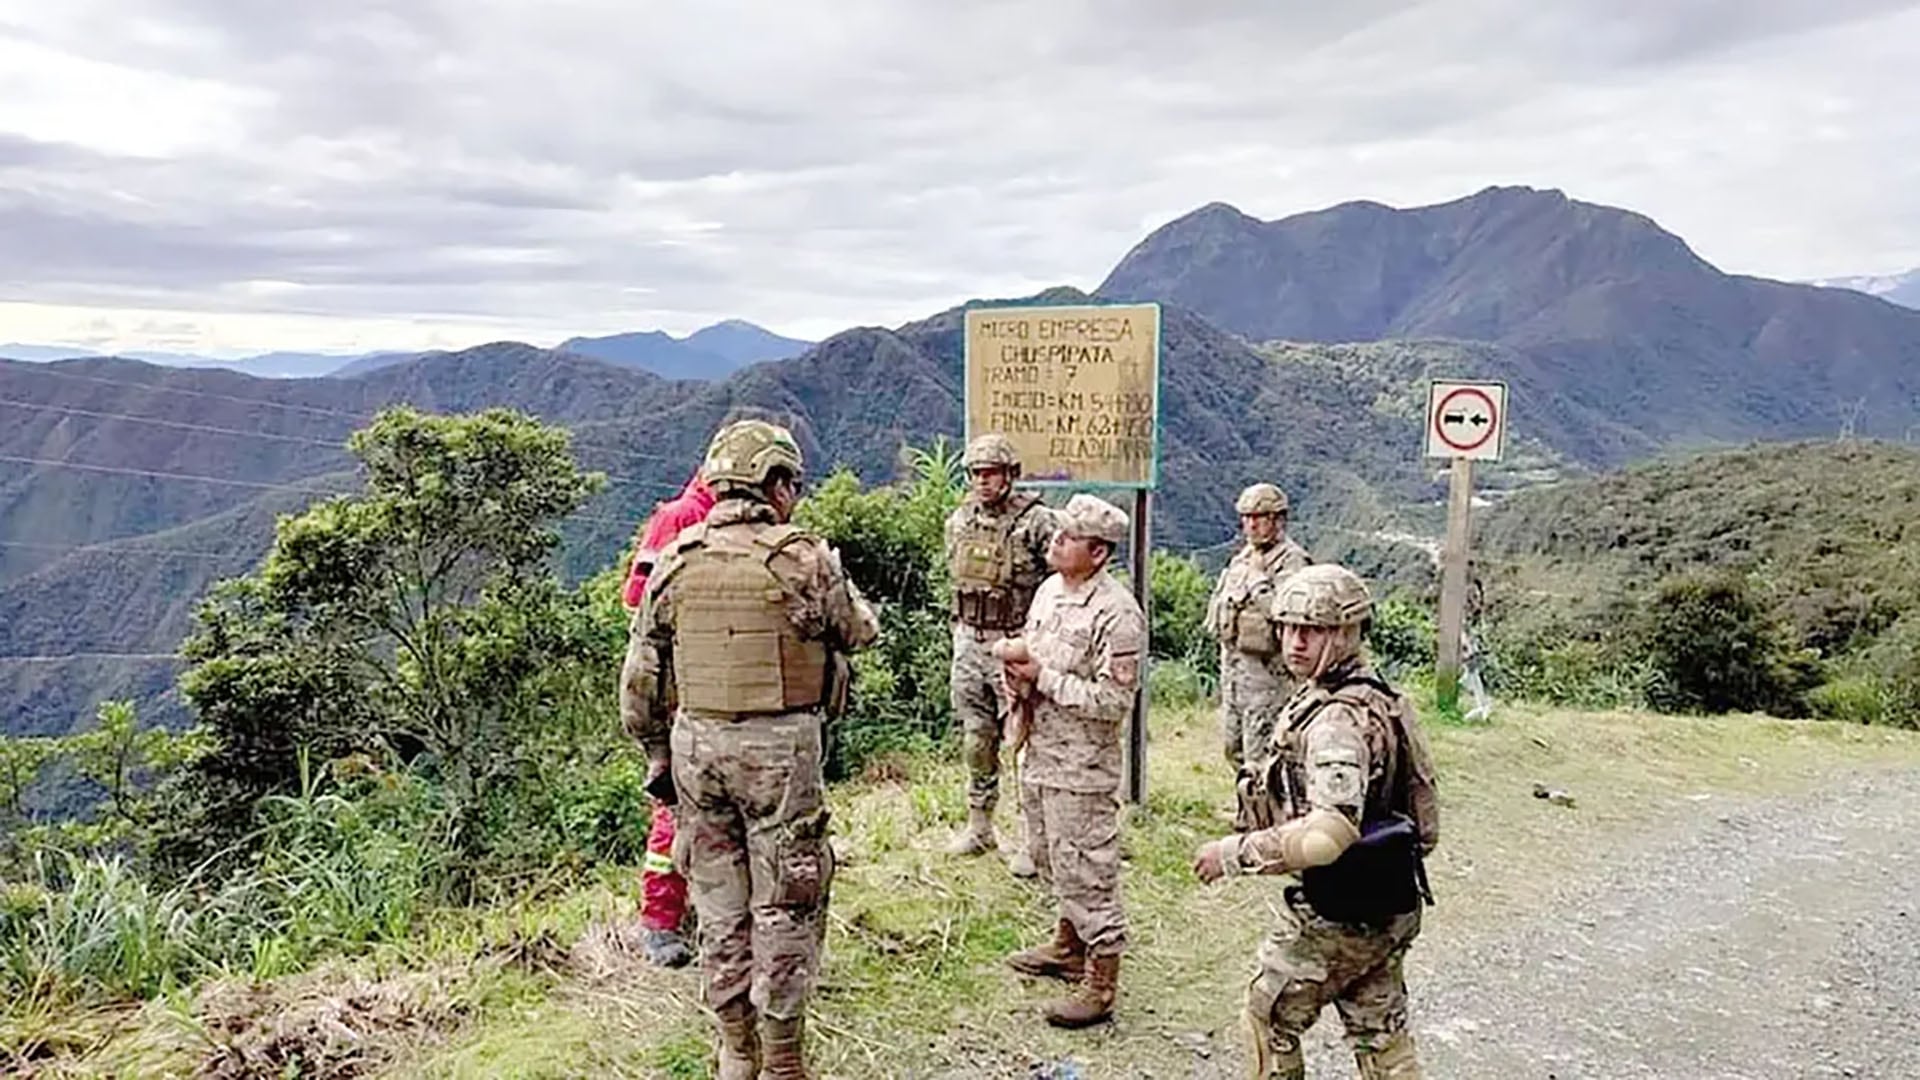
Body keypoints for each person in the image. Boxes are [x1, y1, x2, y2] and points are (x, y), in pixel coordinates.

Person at [621, 419, 879, 1080]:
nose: (794, 493)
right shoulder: (803, 557)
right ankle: (784, 1060)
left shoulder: (676, 558)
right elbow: (860, 632)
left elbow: (639, 683)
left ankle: (736, 1050)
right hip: (780, 753)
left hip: (696, 750)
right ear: (773, 483)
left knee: (718, 903)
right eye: (791, 481)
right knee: (788, 899)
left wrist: (658, 757)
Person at [1193, 563, 1440, 1080]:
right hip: (1389, 897)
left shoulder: (1336, 721)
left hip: (1339, 908)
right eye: (1288, 627)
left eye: (1315, 630)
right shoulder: (1374, 696)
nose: (1296, 642)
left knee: (1267, 1017)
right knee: (1381, 1033)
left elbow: (1329, 835)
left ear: (1349, 631)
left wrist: (1233, 855)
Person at [1000, 493, 1146, 1029]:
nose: (1056, 543)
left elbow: (1112, 703)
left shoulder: (1117, 614)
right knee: (1053, 857)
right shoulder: (1048, 592)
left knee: (1088, 867)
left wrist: (1044, 679)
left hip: (1082, 765)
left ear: (1099, 552)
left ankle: (1102, 980)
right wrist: (1016, 672)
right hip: (1040, 749)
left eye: (1069, 537)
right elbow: (1035, 653)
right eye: (1057, 533)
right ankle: (1068, 946)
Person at [943, 433, 1059, 870]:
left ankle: (1035, 839)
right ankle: (980, 826)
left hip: (1018, 641)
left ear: (1011, 475)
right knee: (977, 738)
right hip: (970, 640)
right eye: (975, 473)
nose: (982, 481)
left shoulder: (1038, 522)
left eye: (991, 473)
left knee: (1027, 741)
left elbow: (1064, 580)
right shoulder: (959, 520)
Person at [620, 467, 716, 968]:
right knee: (673, 811)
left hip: (728, 691)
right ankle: (661, 923)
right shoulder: (681, 517)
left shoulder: (740, 521)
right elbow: (637, 602)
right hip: (681, 694)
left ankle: (714, 914)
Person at [1206, 483, 1312, 768]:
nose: (1250, 524)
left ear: (1278, 519)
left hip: (1268, 679)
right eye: (1246, 517)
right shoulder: (1242, 558)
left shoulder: (1292, 561)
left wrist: (1257, 581)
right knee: (1234, 751)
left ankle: (1268, 811)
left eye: (1259, 517)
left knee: (1263, 758)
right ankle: (1248, 809)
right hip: (1235, 674)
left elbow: (1286, 611)